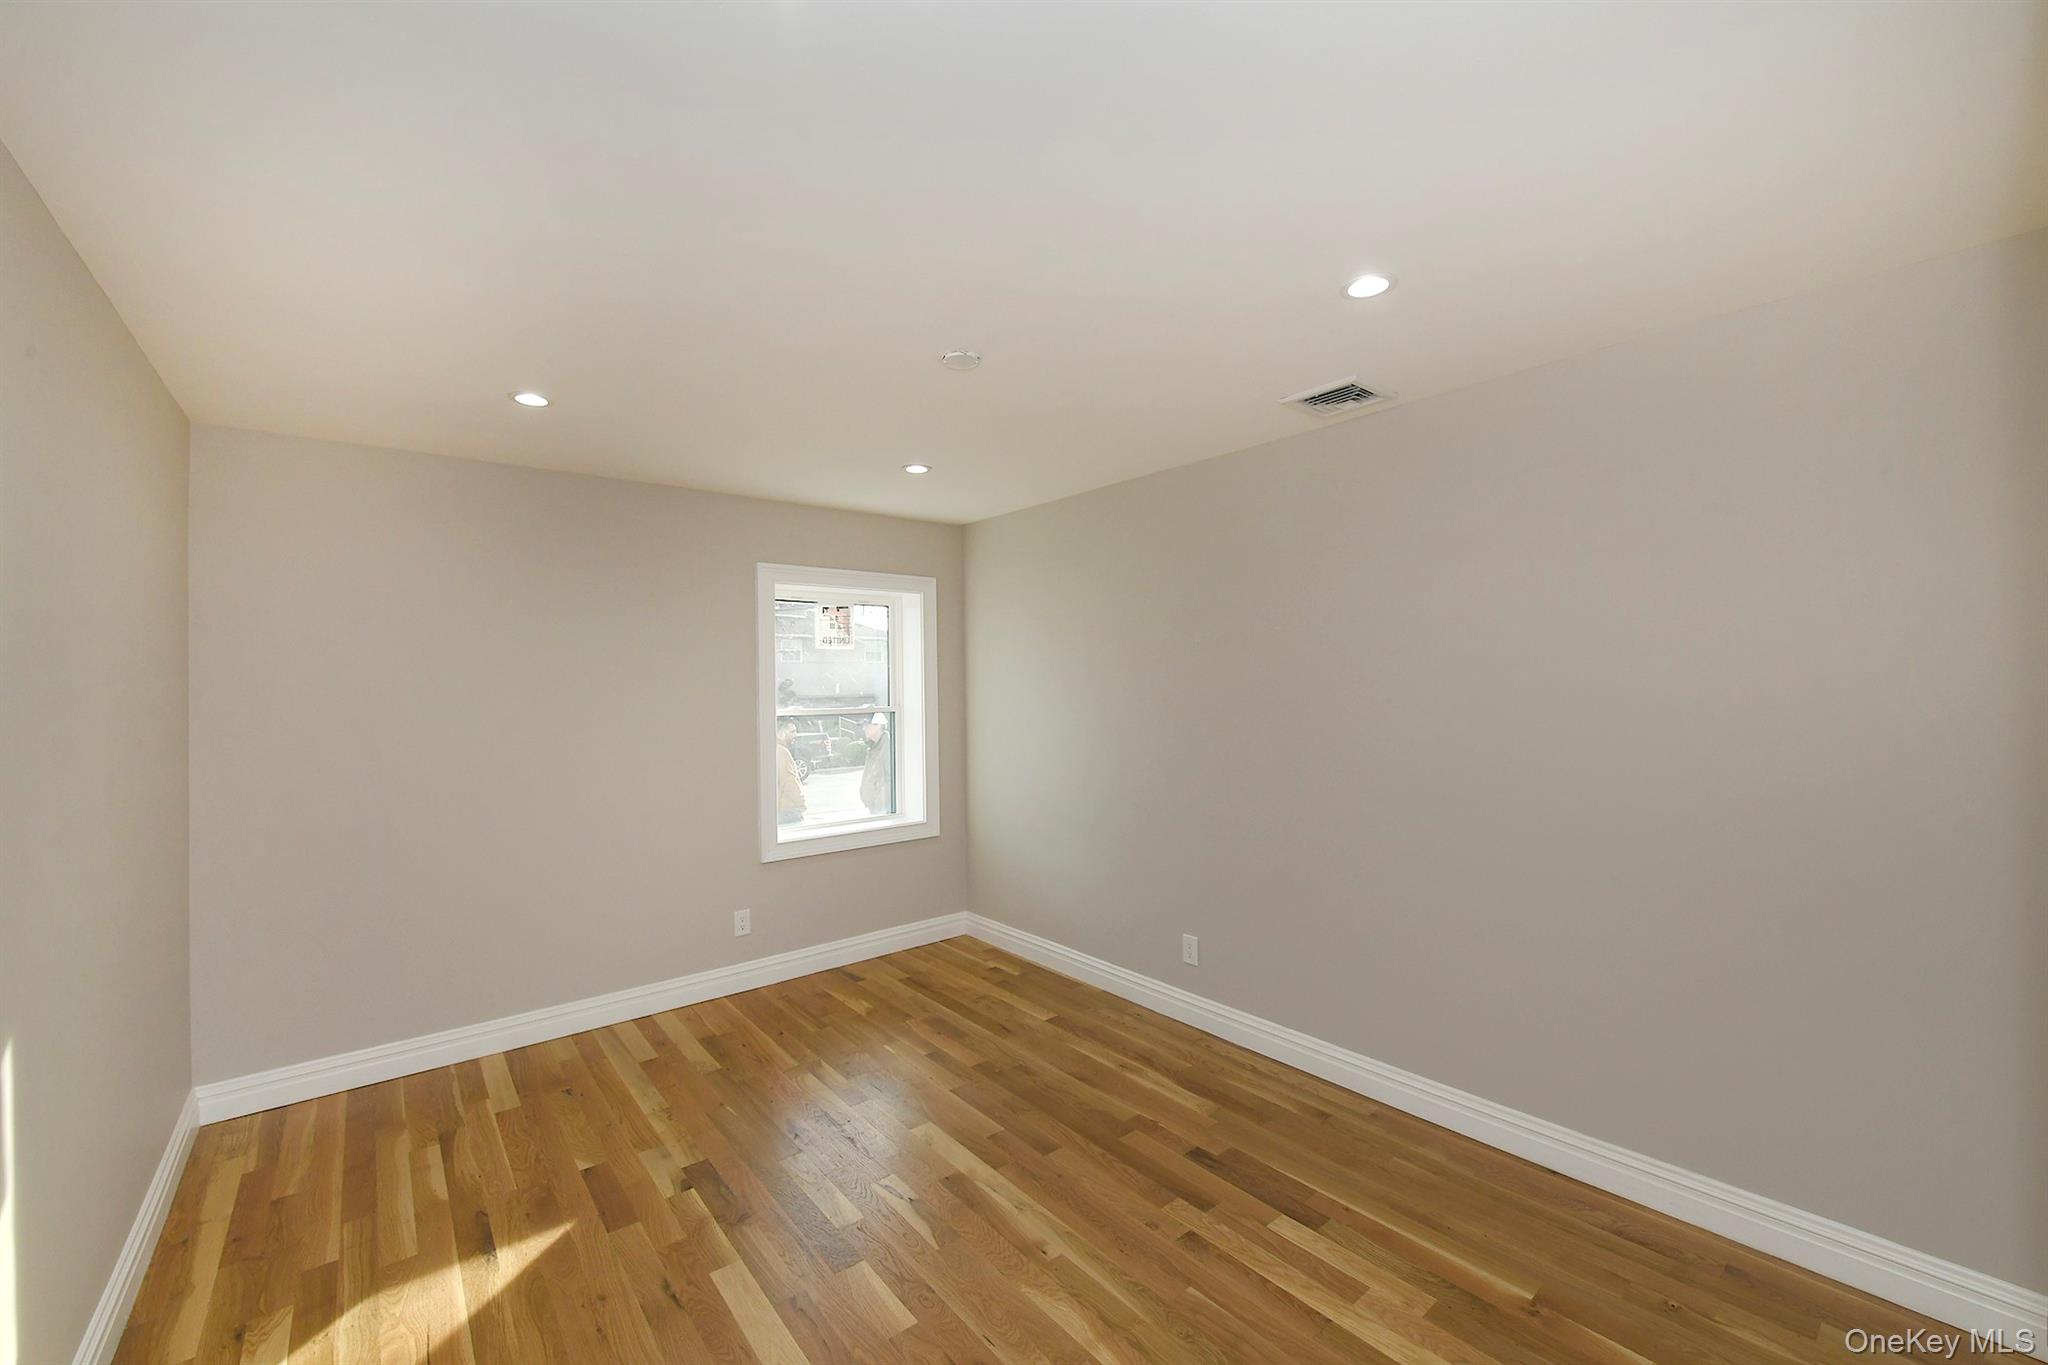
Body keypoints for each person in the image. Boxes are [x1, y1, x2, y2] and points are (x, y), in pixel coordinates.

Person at [859, 712, 893, 815]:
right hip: (875, 807)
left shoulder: (888, 747)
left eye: (866, 725)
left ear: (878, 725)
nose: (863, 728)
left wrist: (880, 804)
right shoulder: (874, 747)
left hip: (883, 809)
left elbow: (890, 779)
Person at [775, 720, 806, 825]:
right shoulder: (782, 752)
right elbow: (789, 781)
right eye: (792, 732)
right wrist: (801, 802)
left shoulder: (773, 749)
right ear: (782, 733)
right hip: (788, 810)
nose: (795, 735)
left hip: (780, 809)